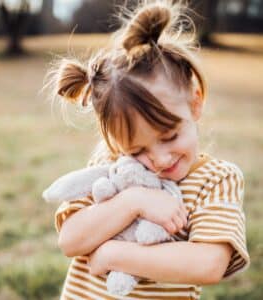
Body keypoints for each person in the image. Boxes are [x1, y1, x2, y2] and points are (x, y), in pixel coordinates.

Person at [50, 1, 250, 299]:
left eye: (169, 136)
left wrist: (115, 254)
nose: (158, 159)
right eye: (137, 148)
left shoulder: (216, 179)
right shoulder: (113, 161)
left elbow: (210, 264)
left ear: (195, 103)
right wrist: (133, 201)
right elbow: (70, 240)